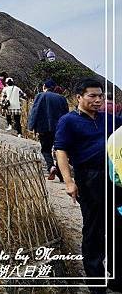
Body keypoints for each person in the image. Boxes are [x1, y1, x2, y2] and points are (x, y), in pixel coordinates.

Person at [54, 78, 122, 293]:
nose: (98, 100)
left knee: (117, 227)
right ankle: (96, 281)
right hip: (89, 178)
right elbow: (61, 150)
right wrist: (68, 181)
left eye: (100, 96)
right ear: (79, 97)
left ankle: (116, 277)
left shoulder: (109, 119)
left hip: (114, 177)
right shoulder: (68, 121)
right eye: (92, 96)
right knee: (94, 229)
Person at [28, 79, 70, 180]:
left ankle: (51, 167)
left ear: (44, 86)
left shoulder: (40, 95)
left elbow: (35, 111)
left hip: (44, 127)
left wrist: (31, 126)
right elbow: (66, 114)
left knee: (46, 149)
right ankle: (60, 174)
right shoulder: (62, 98)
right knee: (59, 150)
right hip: (59, 128)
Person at [107, 125, 122, 292]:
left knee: (117, 238)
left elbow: (115, 177)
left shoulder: (115, 137)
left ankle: (117, 278)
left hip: (119, 195)